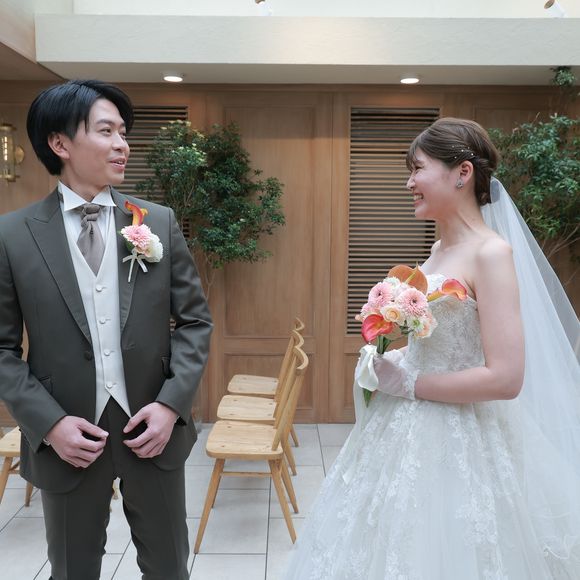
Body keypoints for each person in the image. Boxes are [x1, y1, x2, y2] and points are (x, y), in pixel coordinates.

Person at [284, 118, 580, 579]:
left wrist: (411, 382)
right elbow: (442, 342)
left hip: (461, 437)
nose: (409, 183)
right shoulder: (439, 249)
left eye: (417, 169)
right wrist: (399, 356)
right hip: (402, 426)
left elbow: (506, 378)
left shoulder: (491, 254)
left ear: (462, 173)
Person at [0, 79, 213, 580]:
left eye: (123, 132)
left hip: (151, 430)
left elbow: (195, 322)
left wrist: (170, 405)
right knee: (73, 570)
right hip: (68, 437)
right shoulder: (13, 235)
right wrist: (50, 424)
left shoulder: (156, 223)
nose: (123, 144)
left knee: (169, 568)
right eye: (106, 131)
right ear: (60, 143)